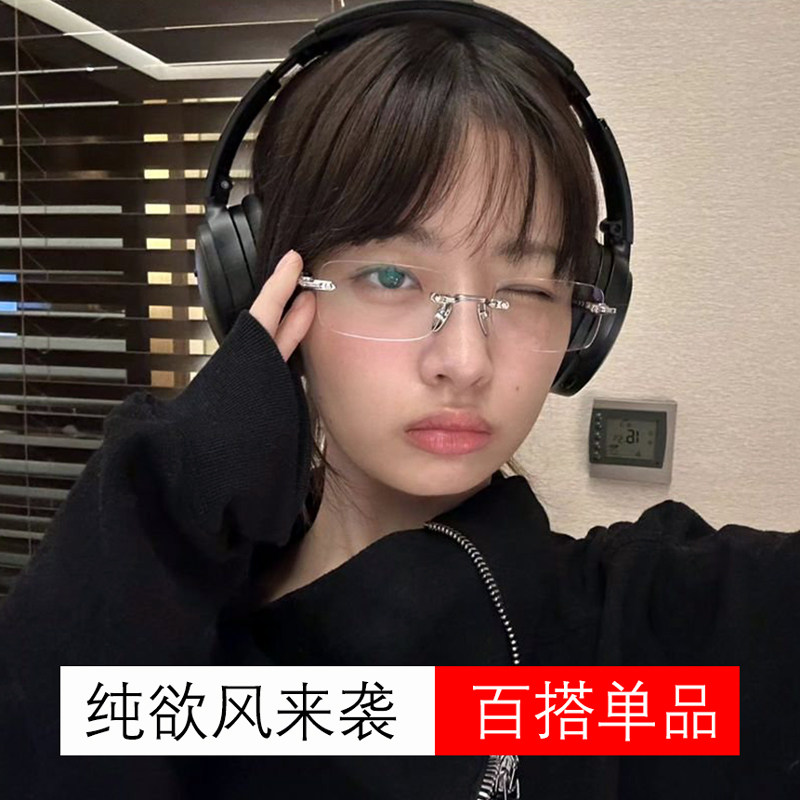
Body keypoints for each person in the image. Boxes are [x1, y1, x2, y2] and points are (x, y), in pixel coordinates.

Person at [1, 2, 798, 798]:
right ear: (263, 289)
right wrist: (175, 483)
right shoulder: (159, 636)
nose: (465, 361)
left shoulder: (643, 654)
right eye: (391, 277)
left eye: (525, 289)